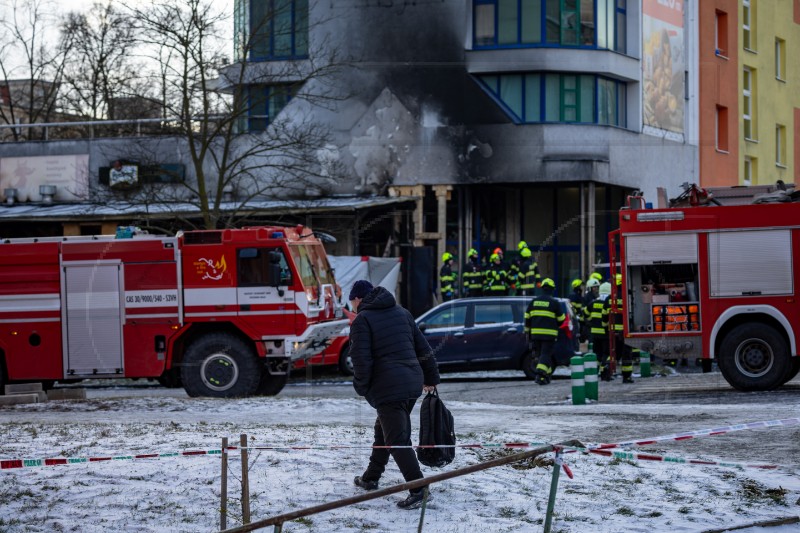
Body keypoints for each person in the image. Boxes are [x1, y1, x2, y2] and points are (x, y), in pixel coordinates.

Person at [348, 280, 441, 510]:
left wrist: (361, 386)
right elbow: (423, 348)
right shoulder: (402, 312)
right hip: (411, 384)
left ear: (359, 299)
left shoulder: (362, 320)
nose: (352, 306)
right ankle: (371, 477)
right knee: (384, 431)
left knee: (397, 440)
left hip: (388, 387)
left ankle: (419, 489)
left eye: (351, 302)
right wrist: (431, 378)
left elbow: (361, 360)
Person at [524, 278, 565, 385]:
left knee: (541, 355)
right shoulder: (554, 303)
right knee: (546, 354)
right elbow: (561, 320)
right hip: (549, 335)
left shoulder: (533, 302)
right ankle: (540, 373)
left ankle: (544, 377)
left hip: (536, 335)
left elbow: (527, 318)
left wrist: (527, 333)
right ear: (552, 289)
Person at [605, 273, 634, 383]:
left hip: (613, 331)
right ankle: (626, 377)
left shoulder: (610, 297)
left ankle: (607, 371)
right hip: (626, 331)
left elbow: (604, 314)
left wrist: (605, 327)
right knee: (626, 354)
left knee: (613, 352)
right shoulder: (629, 296)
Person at [585, 279, 611, 381]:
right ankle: (604, 372)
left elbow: (586, 315)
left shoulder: (592, 303)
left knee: (598, 354)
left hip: (595, 334)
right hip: (606, 334)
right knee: (606, 353)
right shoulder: (609, 303)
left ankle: (594, 372)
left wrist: (591, 321)